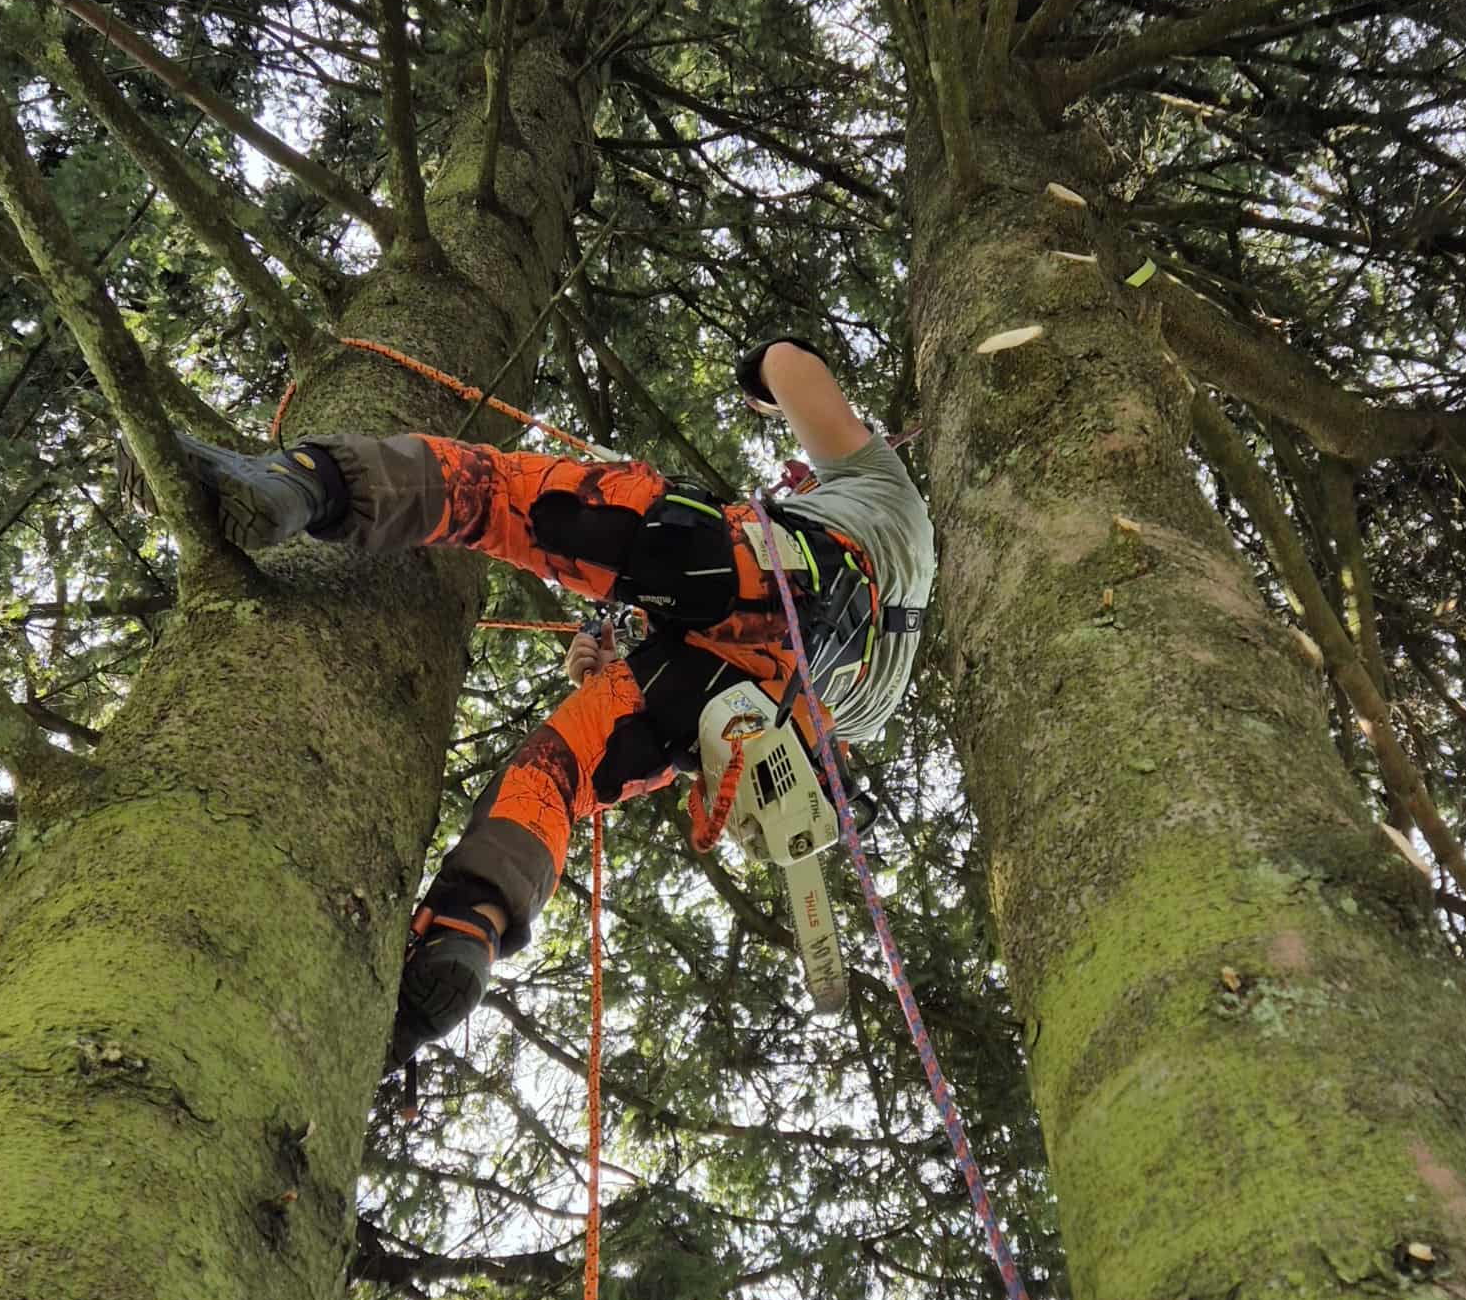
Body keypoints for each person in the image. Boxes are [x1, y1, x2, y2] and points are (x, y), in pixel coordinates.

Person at [179, 338, 933, 1059]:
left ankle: (307, 482)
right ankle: (467, 926)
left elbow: (785, 362)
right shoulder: (882, 686)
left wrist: (764, 378)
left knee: (504, 498)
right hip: (787, 708)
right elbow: (734, 654)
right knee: (564, 769)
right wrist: (622, 667)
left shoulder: (879, 483)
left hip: (779, 573)